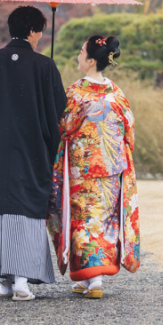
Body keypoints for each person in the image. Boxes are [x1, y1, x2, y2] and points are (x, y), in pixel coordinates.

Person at [0, 5, 67, 301]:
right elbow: (59, 112)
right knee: (28, 210)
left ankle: (6, 281)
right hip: (33, 153)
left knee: (4, 210)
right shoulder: (45, 66)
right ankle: (20, 281)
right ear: (33, 31)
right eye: (40, 31)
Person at [48, 35, 140, 299]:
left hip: (83, 169)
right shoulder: (116, 92)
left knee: (83, 220)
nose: (77, 56)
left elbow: (64, 126)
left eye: (80, 52)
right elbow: (129, 129)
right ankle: (89, 280)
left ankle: (95, 278)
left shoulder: (76, 92)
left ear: (90, 61)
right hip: (112, 168)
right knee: (104, 220)